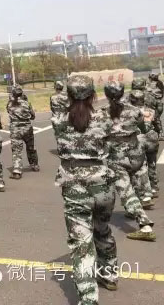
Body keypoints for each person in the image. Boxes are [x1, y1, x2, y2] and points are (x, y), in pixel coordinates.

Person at [51, 75, 121, 300]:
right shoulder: (104, 118)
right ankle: (109, 275)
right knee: (102, 230)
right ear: (93, 95)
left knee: (81, 244)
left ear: (69, 96)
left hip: (75, 188)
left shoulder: (58, 121)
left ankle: (89, 297)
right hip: (103, 185)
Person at [103, 81, 155, 241]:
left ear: (106, 95)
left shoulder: (102, 114)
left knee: (126, 190)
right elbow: (144, 128)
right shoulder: (135, 111)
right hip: (136, 153)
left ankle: (145, 226)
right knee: (136, 181)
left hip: (117, 157)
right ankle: (136, 206)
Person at [130, 91, 160, 200]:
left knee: (141, 166)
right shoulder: (151, 110)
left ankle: (144, 191)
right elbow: (157, 124)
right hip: (151, 139)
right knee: (152, 163)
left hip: (138, 139)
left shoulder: (131, 111)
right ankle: (154, 186)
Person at [7, 85, 38, 179]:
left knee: (17, 150)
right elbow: (33, 116)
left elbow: (9, 112)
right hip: (27, 128)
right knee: (31, 147)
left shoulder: (10, 104)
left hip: (15, 129)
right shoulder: (27, 103)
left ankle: (17, 171)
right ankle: (34, 165)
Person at [146, 73, 163, 137]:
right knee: (157, 118)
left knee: (152, 118)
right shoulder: (160, 83)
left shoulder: (149, 85)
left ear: (150, 78)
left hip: (152, 103)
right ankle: (160, 133)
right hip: (160, 103)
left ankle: (157, 133)